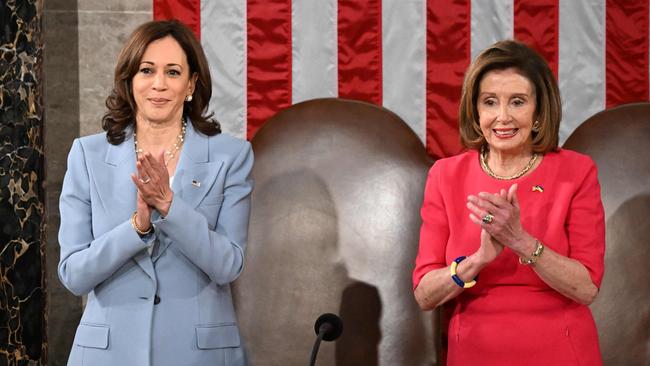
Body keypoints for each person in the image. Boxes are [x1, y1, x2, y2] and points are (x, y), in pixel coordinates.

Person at [58, 20, 252, 366]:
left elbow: (228, 265)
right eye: (147, 70)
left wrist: (170, 207)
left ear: (191, 83)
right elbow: (74, 274)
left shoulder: (231, 157)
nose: (159, 84)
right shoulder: (87, 155)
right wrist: (136, 229)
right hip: (108, 354)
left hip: (199, 354)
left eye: (173, 72)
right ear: (130, 80)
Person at [412, 40, 605, 365]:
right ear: (475, 111)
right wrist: (477, 260)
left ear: (539, 110)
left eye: (517, 102)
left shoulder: (576, 171)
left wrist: (521, 242)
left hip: (562, 348)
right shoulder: (445, 175)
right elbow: (424, 295)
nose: (502, 117)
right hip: (475, 349)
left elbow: (587, 288)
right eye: (490, 102)